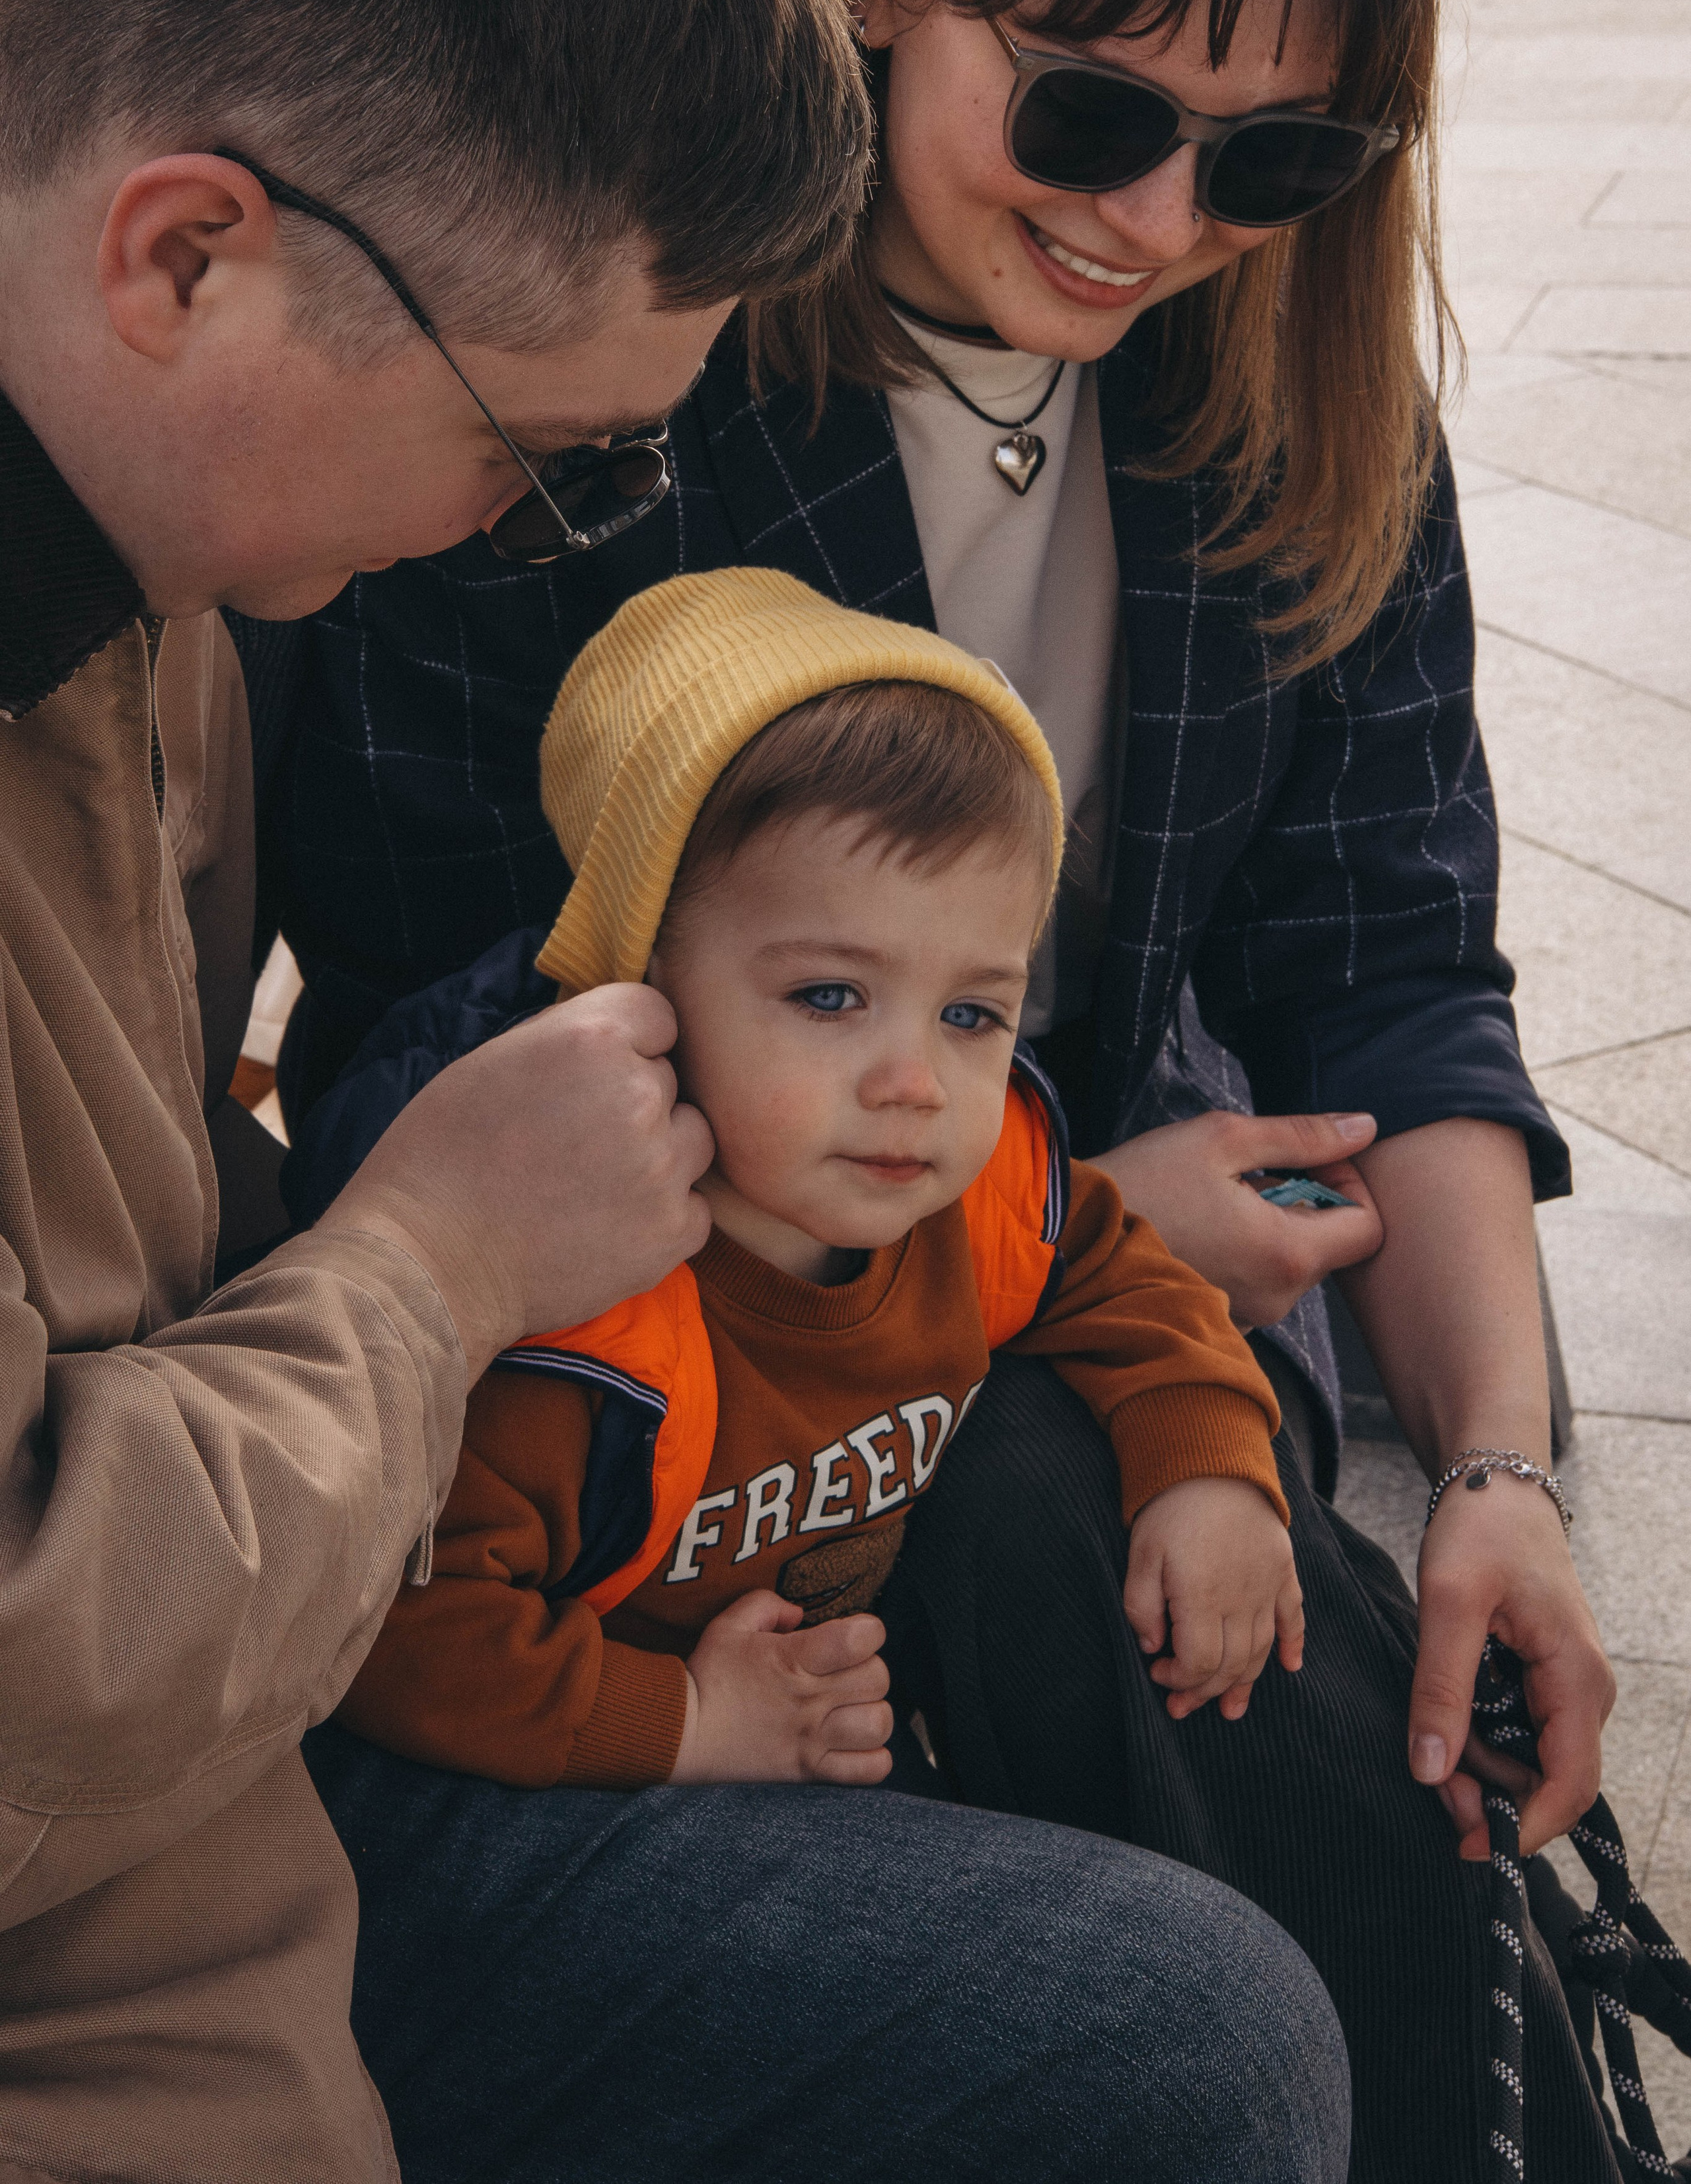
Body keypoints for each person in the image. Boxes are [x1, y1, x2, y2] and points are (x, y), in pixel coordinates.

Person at [254, 0, 1626, 2173]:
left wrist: (1508, 1481)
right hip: (660, 1372)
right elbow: (428, 1001)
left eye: (1276, 158)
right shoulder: (594, 366)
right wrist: (1052, 1210)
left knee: (1170, 1529)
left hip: (1149, 1302)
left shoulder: (1296, 399)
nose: (1158, 222)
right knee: (1027, 1499)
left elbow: (1397, 974)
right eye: (1088, 109)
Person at [0, 0, 1357, 2181]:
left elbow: (1395, 940)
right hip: (152, 1891)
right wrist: (432, 1270)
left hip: (255, 1760)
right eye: (552, 458)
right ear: (184, 255)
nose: (527, 547)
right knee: (1195, 2046)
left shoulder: (146, 562)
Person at [332, 570, 1304, 1792]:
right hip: (577, 1773)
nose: (916, 1082)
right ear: (636, 986)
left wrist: (1209, 1463)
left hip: (825, 1700)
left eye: (970, 1012)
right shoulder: (578, 1320)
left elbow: (1122, 1273)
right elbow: (400, 1630)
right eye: (829, 997)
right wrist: (687, 1721)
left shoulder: (980, 1185)